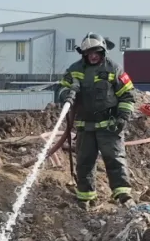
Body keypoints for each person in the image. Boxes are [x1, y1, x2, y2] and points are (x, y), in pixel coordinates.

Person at [56, 33, 136, 207]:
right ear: (83, 53)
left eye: (96, 52)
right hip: (85, 126)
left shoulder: (114, 69)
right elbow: (60, 88)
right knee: (84, 162)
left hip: (110, 125)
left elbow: (128, 96)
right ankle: (86, 197)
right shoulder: (75, 70)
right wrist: (66, 94)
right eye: (89, 52)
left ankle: (123, 196)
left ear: (103, 51)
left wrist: (123, 118)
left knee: (115, 159)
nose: (93, 55)